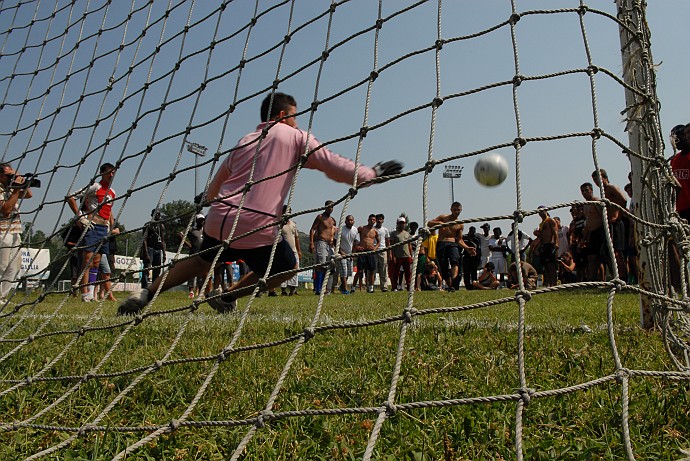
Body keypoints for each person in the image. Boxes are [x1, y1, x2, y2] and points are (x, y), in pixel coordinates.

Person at [119, 92, 402, 314]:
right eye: (295, 116)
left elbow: (218, 181)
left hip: (220, 219)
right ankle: (228, 296)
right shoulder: (295, 136)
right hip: (254, 223)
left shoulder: (246, 139)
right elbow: (333, 165)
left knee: (199, 261)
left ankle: (146, 294)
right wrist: (371, 174)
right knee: (286, 266)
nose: (297, 122)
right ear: (282, 115)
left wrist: (205, 199)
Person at [67, 162, 116, 302]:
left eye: (113, 173)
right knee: (87, 261)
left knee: (96, 262)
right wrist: (80, 216)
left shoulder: (113, 191)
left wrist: (111, 226)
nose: (111, 175)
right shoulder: (95, 186)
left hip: (103, 229)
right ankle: (84, 294)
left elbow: (109, 210)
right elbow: (71, 197)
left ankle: (90, 292)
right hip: (92, 226)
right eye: (109, 172)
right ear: (102, 173)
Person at [0, 163, 33, 303]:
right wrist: (15, 190)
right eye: (8, 175)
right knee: (2, 265)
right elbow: (6, 210)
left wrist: (19, 179)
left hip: (14, 231)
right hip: (2, 231)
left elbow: (29, 195)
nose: (10, 178)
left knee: (14, 267)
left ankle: (2, 297)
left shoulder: (8, 188)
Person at [427, 202, 476, 291]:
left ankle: (453, 283)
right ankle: (450, 286)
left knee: (455, 261)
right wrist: (440, 223)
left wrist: (467, 248)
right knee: (443, 267)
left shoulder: (460, 224)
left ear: (461, 210)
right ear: (451, 209)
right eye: (454, 209)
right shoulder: (443, 217)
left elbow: (459, 240)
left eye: (458, 210)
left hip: (452, 244)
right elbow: (429, 223)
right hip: (441, 243)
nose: (456, 211)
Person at [592, 168, 628, 281]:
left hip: (616, 223)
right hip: (609, 224)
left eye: (598, 178)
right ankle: (616, 276)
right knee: (609, 252)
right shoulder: (603, 193)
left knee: (617, 252)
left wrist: (618, 216)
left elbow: (624, 200)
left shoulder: (611, 188)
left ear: (605, 178)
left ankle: (624, 278)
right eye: (594, 180)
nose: (597, 181)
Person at [309, 200, 337, 295]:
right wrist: (311, 243)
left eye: (332, 207)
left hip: (330, 245)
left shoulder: (332, 220)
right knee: (321, 265)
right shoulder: (320, 217)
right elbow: (312, 229)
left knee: (331, 265)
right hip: (321, 242)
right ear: (325, 207)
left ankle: (327, 289)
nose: (330, 209)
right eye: (329, 207)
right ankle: (318, 288)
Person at [580, 182, 605, 281]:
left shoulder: (597, 201)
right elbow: (587, 223)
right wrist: (584, 239)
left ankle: (605, 281)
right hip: (592, 234)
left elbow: (603, 217)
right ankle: (593, 280)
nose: (584, 193)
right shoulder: (586, 206)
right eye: (582, 191)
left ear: (591, 190)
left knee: (604, 258)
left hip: (600, 231)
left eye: (586, 190)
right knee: (591, 258)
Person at [180, 214, 205, 298]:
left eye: (202, 219)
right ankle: (191, 291)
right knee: (192, 273)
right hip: (193, 253)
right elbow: (180, 234)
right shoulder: (191, 229)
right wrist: (188, 244)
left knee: (201, 274)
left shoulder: (204, 230)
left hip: (202, 254)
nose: (201, 221)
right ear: (196, 221)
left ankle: (200, 291)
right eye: (200, 220)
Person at [140, 209, 166, 289]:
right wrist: (146, 252)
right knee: (147, 269)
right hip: (150, 248)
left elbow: (162, 239)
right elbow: (144, 239)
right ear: (152, 215)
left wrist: (164, 252)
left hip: (158, 250)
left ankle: (154, 288)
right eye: (156, 214)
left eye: (159, 214)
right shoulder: (148, 225)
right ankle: (144, 288)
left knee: (157, 270)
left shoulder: (161, 226)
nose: (157, 216)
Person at [355, 214, 380, 293]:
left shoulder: (375, 231)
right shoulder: (362, 228)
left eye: (373, 220)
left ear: (375, 221)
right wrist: (357, 246)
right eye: (371, 219)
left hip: (370, 252)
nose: (372, 221)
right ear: (368, 220)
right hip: (362, 251)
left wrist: (375, 248)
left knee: (371, 270)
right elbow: (353, 237)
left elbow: (379, 242)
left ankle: (371, 287)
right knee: (359, 271)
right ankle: (355, 287)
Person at [534, 206, 558, 287]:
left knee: (551, 266)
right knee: (545, 266)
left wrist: (556, 243)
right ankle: (548, 283)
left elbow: (555, 233)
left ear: (546, 211)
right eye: (539, 212)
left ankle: (554, 284)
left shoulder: (550, 221)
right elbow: (541, 236)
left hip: (549, 245)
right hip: (543, 245)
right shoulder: (541, 223)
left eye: (542, 211)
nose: (540, 213)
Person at [279, 206, 301, 296]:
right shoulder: (279, 224)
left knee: (295, 270)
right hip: (283, 250)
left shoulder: (293, 224)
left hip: (294, 250)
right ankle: (283, 290)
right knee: (283, 270)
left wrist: (299, 251)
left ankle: (292, 290)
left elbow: (296, 238)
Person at [389, 217, 412, 291]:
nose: (402, 225)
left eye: (403, 223)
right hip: (398, 256)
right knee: (396, 273)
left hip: (406, 255)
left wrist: (411, 255)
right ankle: (395, 287)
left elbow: (409, 245)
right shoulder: (394, 233)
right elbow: (391, 246)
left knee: (408, 273)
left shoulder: (407, 234)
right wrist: (392, 256)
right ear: (397, 224)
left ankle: (409, 287)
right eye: (400, 223)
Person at [337, 214, 358, 294]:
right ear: (345, 221)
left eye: (351, 220)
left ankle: (342, 287)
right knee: (344, 272)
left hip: (350, 254)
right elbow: (335, 241)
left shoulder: (355, 230)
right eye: (348, 220)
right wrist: (340, 251)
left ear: (353, 221)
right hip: (341, 254)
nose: (350, 221)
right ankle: (345, 290)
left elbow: (355, 242)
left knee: (349, 273)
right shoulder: (341, 229)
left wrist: (353, 253)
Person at [374, 213, 390, 292]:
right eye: (378, 219)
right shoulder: (372, 229)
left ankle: (384, 287)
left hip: (383, 250)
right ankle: (370, 287)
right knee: (372, 269)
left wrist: (389, 252)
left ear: (383, 220)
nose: (380, 220)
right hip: (374, 251)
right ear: (376, 220)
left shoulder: (385, 230)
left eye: (381, 219)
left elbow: (387, 242)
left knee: (383, 270)